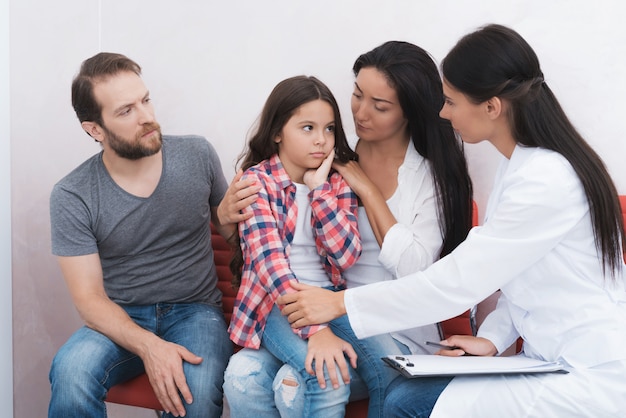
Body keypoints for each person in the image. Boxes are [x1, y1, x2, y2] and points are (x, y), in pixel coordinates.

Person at [278, 24, 626, 417]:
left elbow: (456, 282)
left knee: (403, 404)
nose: (443, 113)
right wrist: (492, 339)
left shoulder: (545, 180)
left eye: (451, 102)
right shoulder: (522, 169)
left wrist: (340, 303)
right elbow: (522, 281)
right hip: (551, 358)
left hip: (589, 371)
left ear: (492, 107)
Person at [222, 42, 473, 418]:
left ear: (409, 112)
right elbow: (267, 250)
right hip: (314, 309)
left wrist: (368, 191)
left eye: (380, 105)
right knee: (243, 374)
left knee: (298, 382)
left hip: (388, 325)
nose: (360, 112)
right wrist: (226, 217)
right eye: (357, 95)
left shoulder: (427, 179)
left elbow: (410, 268)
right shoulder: (324, 163)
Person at [48, 52, 235, 418]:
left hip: (195, 311)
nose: (147, 117)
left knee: (193, 392)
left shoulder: (197, 154)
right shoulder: (72, 194)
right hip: (121, 316)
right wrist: (150, 346)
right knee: (70, 373)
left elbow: (235, 238)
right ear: (95, 130)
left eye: (145, 100)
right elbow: (88, 300)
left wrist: (242, 215)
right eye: (126, 111)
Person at [226, 75, 364, 417]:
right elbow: (268, 264)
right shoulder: (257, 182)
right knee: (324, 372)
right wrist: (315, 331)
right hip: (276, 303)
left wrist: (319, 193)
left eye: (329, 129)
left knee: (374, 366)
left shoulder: (337, 184)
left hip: (330, 300)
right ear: (277, 132)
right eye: (307, 128)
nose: (321, 140)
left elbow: (346, 256)